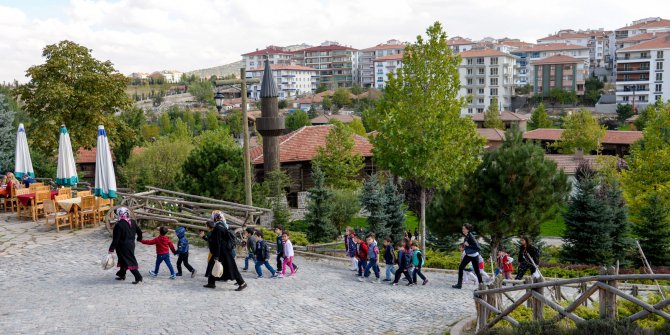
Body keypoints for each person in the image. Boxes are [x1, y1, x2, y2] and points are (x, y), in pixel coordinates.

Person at [202, 212, 247, 291]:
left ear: (215, 219)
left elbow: (218, 243)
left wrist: (216, 255)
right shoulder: (222, 225)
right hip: (224, 250)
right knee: (213, 265)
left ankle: (242, 283)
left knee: (232, 267)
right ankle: (211, 283)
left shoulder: (218, 228)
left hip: (223, 251)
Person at [108, 207, 143, 284]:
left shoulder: (119, 225)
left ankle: (138, 276)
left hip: (122, 247)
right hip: (131, 245)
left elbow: (116, 239)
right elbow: (139, 231)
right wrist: (139, 238)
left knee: (129, 261)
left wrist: (111, 249)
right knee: (122, 259)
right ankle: (122, 274)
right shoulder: (132, 222)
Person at [452, 224, 483, 289]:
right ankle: (459, 285)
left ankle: (481, 285)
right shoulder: (467, 236)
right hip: (468, 255)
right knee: (461, 267)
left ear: (467, 229)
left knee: (477, 271)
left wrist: (468, 245)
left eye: (464, 229)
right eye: (462, 228)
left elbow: (478, 248)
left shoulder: (471, 236)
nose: (462, 230)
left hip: (474, 256)